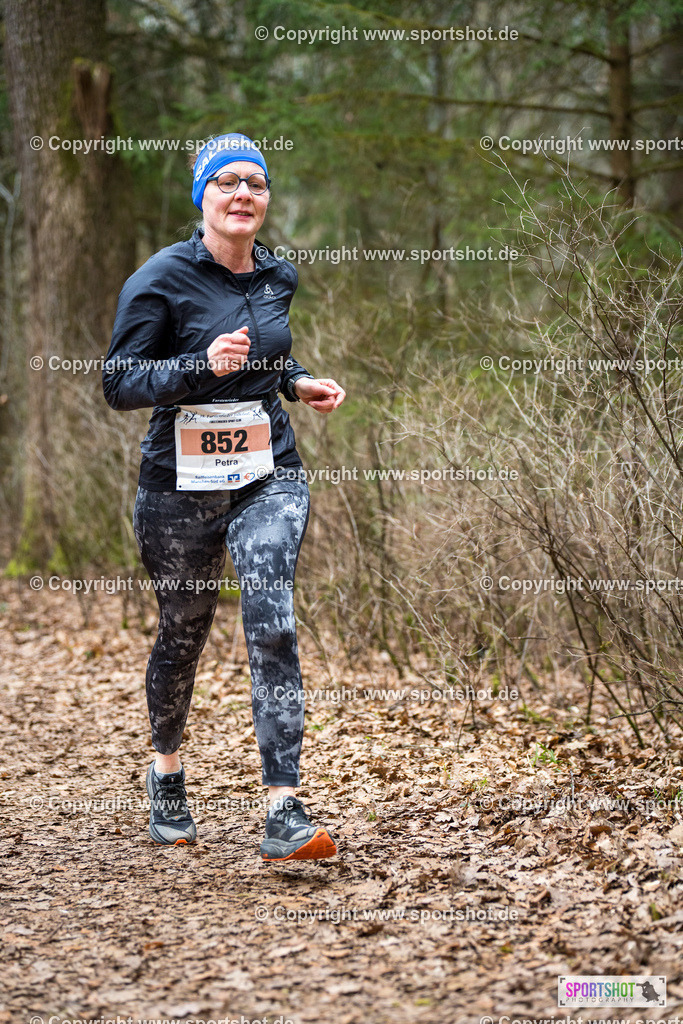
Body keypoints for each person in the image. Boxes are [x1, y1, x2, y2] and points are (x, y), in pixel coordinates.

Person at [103, 132, 345, 860]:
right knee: (184, 630)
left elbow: (269, 354)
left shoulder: (278, 276)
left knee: (270, 616)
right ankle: (167, 772)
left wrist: (296, 382)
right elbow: (119, 383)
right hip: (177, 484)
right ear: (202, 197)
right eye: (227, 182)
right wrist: (195, 365)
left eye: (256, 183)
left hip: (267, 471)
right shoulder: (160, 278)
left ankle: (283, 807)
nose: (244, 194)